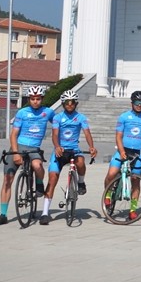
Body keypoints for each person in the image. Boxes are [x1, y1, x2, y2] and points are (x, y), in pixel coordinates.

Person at [0, 85, 55, 225]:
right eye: (33, 99)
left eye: (38, 99)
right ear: (29, 99)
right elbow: (13, 135)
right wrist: (16, 153)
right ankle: (3, 214)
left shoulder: (48, 112)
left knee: (37, 165)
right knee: (7, 180)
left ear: (42, 99)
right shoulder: (22, 112)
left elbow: (59, 124)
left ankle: (39, 184)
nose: (35, 101)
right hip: (18, 146)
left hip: (34, 148)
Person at [100, 90, 141, 222]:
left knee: (135, 180)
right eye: (137, 103)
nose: (139, 105)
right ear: (132, 103)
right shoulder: (124, 117)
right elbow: (118, 136)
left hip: (138, 153)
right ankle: (108, 195)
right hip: (123, 150)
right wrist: (121, 151)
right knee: (112, 174)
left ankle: (133, 210)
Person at [42, 90, 98, 225]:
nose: (70, 105)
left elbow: (87, 133)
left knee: (81, 162)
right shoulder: (57, 118)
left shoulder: (81, 118)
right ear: (63, 103)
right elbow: (55, 135)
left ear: (76, 103)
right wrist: (57, 146)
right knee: (52, 179)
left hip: (74, 150)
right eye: (67, 102)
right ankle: (44, 212)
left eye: (72, 102)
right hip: (60, 150)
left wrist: (92, 147)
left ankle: (81, 182)